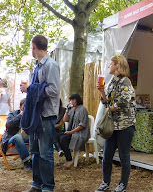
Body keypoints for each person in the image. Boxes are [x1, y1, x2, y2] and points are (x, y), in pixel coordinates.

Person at [20, 34, 60, 192]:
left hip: (46, 116)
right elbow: (36, 90)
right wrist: (29, 90)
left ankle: (48, 187)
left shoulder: (51, 65)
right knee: (35, 152)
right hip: (35, 117)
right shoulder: (37, 67)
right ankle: (36, 184)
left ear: (34, 46)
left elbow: (54, 91)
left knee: (46, 154)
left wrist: (31, 88)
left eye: (31, 47)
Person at [96, 55, 136, 192]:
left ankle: (122, 185)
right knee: (107, 155)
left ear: (117, 66)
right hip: (113, 125)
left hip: (125, 125)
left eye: (110, 64)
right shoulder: (112, 81)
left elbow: (124, 102)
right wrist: (102, 92)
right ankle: (105, 182)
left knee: (124, 156)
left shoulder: (126, 82)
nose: (108, 66)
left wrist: (111, 108)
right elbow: (106, 103)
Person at [0, 98, 32, 171]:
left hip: (26, 139)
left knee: (36, 137)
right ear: (20, 107)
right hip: (11, 139)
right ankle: (27, 162)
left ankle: (34, 160)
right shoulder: (13, 114)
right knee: (18, 137)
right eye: (25, 107)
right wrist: (20, 116)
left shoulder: (31, 116)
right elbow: (8, 125)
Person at [60, 93, 90, 167]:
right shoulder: (73, 110)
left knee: (63, 139)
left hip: (80, 133)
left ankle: (69, 159)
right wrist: (67, 110)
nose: (71, 101)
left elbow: (82, 125)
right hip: (73, 132)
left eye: (73, 99)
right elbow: (65, 119)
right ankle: (65, 155)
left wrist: (71, 132)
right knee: (59, 136)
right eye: (70, 100)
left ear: (77, 100)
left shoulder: (82, 109)